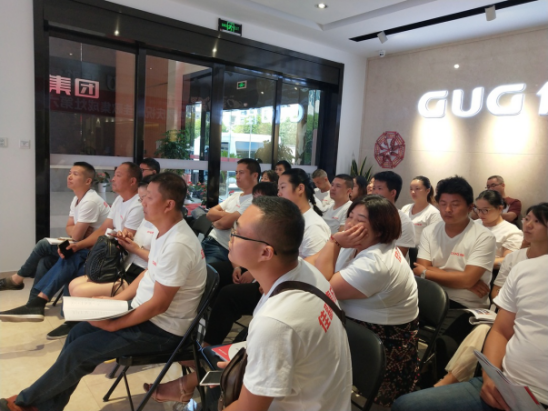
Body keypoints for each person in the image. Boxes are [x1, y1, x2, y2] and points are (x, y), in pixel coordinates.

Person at [0, 172, 207, 411]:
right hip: (144, 314)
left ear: (168, 205)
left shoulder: (178, 244)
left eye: (149, 197)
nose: (143, 202)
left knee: (80, 351)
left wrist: (115, 324)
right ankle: (44, 406)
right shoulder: (164, 232)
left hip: (162, 330)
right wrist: (116, 302)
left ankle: (25, 403)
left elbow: (159, 305)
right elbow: (148, 273)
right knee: (77, 334)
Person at [144, 170, 332, 404]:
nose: (230, 237)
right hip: (295, 385)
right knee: (225, 369)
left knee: (222, 381)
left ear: (266, 252)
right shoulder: (299, 273)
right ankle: (196, 377)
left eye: (239, 232)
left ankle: (196, 375)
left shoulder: (275, 322)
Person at [0, 163, 144, 334]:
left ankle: (36, 301)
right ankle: (36, 304)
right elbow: (100, 230)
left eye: (118, 175)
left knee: (61, 253)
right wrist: (78, 245)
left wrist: (79, 243)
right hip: (100, 251)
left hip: (114, 261)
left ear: (132, 181)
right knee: (52, 258)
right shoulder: (119, 200)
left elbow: (119, 240)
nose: (112, 179)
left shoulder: (136, 205)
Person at [392, 253, 548, 411]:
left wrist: (460, 279)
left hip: (541, 397)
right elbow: (501, 331)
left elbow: (466, 279)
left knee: (461, 334)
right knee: (405, 406)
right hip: (505, 386)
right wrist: (491, 378)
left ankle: (445, 381)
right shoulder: (525, 269)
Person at [308, 195, 419, 407]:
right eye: (350, 216)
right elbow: (316, 261)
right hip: (355, 321)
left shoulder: (375, 263)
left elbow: (323, 288)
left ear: (380, 229)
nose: (350, 224)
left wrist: (334, 241)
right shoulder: (358, 243)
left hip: (381, 338)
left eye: (360, 220)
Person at [435, 203, 548, 387]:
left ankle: (447, 382)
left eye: (537, 222)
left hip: (525, 319)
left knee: (482, 331)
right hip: (503, 313)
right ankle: (447, 380)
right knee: (468, 326)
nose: (528, 225)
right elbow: (496, 291)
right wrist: (511, 303)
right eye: (527, 219)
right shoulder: (514, 258)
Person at [0, 162, 110, 292]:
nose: (69, 177)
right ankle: (34, 301)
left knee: (43, 244)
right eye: (69, 173)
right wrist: (78, 229)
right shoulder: (76, 199)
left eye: (75, 174)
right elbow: (69, 228)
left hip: (93, 250)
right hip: (82, 245)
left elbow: (75, 236)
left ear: (88, 181)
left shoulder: (90, 201)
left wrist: (77, 231)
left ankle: (17, 279)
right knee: (45, 261)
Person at [413, 176, 496, 310]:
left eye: (455, 204)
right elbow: (420, 267)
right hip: (432, 297)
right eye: (443, 204)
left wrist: (426, 272)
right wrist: (462, 281)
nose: (448, 209)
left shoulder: (484, 237)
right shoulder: (429, 231)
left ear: (470, 207)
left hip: (466, 305)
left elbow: (467, 279)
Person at [68, 177, 156, 299]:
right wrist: (126, 239)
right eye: (140, 199)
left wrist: (135, 249)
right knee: (73, 284)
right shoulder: (146, 219)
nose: (142, 203)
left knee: (79, 290)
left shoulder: (166, 228)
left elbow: (157, 261)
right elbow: (105, 230)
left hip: (138, 273)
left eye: (147, 198)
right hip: (125, 266)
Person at [202, 159, 260, 264]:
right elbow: (210, 214)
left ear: (255, 175)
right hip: (209, 240)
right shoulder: (235, 195)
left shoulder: (254, 200)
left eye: (241, 173)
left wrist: (219, 221)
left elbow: (224, 223)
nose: (237, 176)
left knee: (202, 271)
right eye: (236, 173)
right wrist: (229, 216)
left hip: (223, 248)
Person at [473, 190, 523, 269]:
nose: (480, 214)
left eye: (485, 210)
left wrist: (475, 263)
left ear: (500, 208)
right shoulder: (473, 224)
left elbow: (508, 260)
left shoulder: (511, 232)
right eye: (478, 210)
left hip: (491, 271)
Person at [371, 171, 415, 257]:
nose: (375, 192)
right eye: (374, 188)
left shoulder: (404, 223)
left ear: (393, 193)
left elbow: (398, 258)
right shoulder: (367, 215)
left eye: (379, 188)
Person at [400, 175, 442, 247]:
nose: (413, 192)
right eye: (411, 189)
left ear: (427, 190)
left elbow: (434, 240)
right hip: (401, 247)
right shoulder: (405, 208)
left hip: (419, 250)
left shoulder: (433, 213)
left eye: (417, 189)